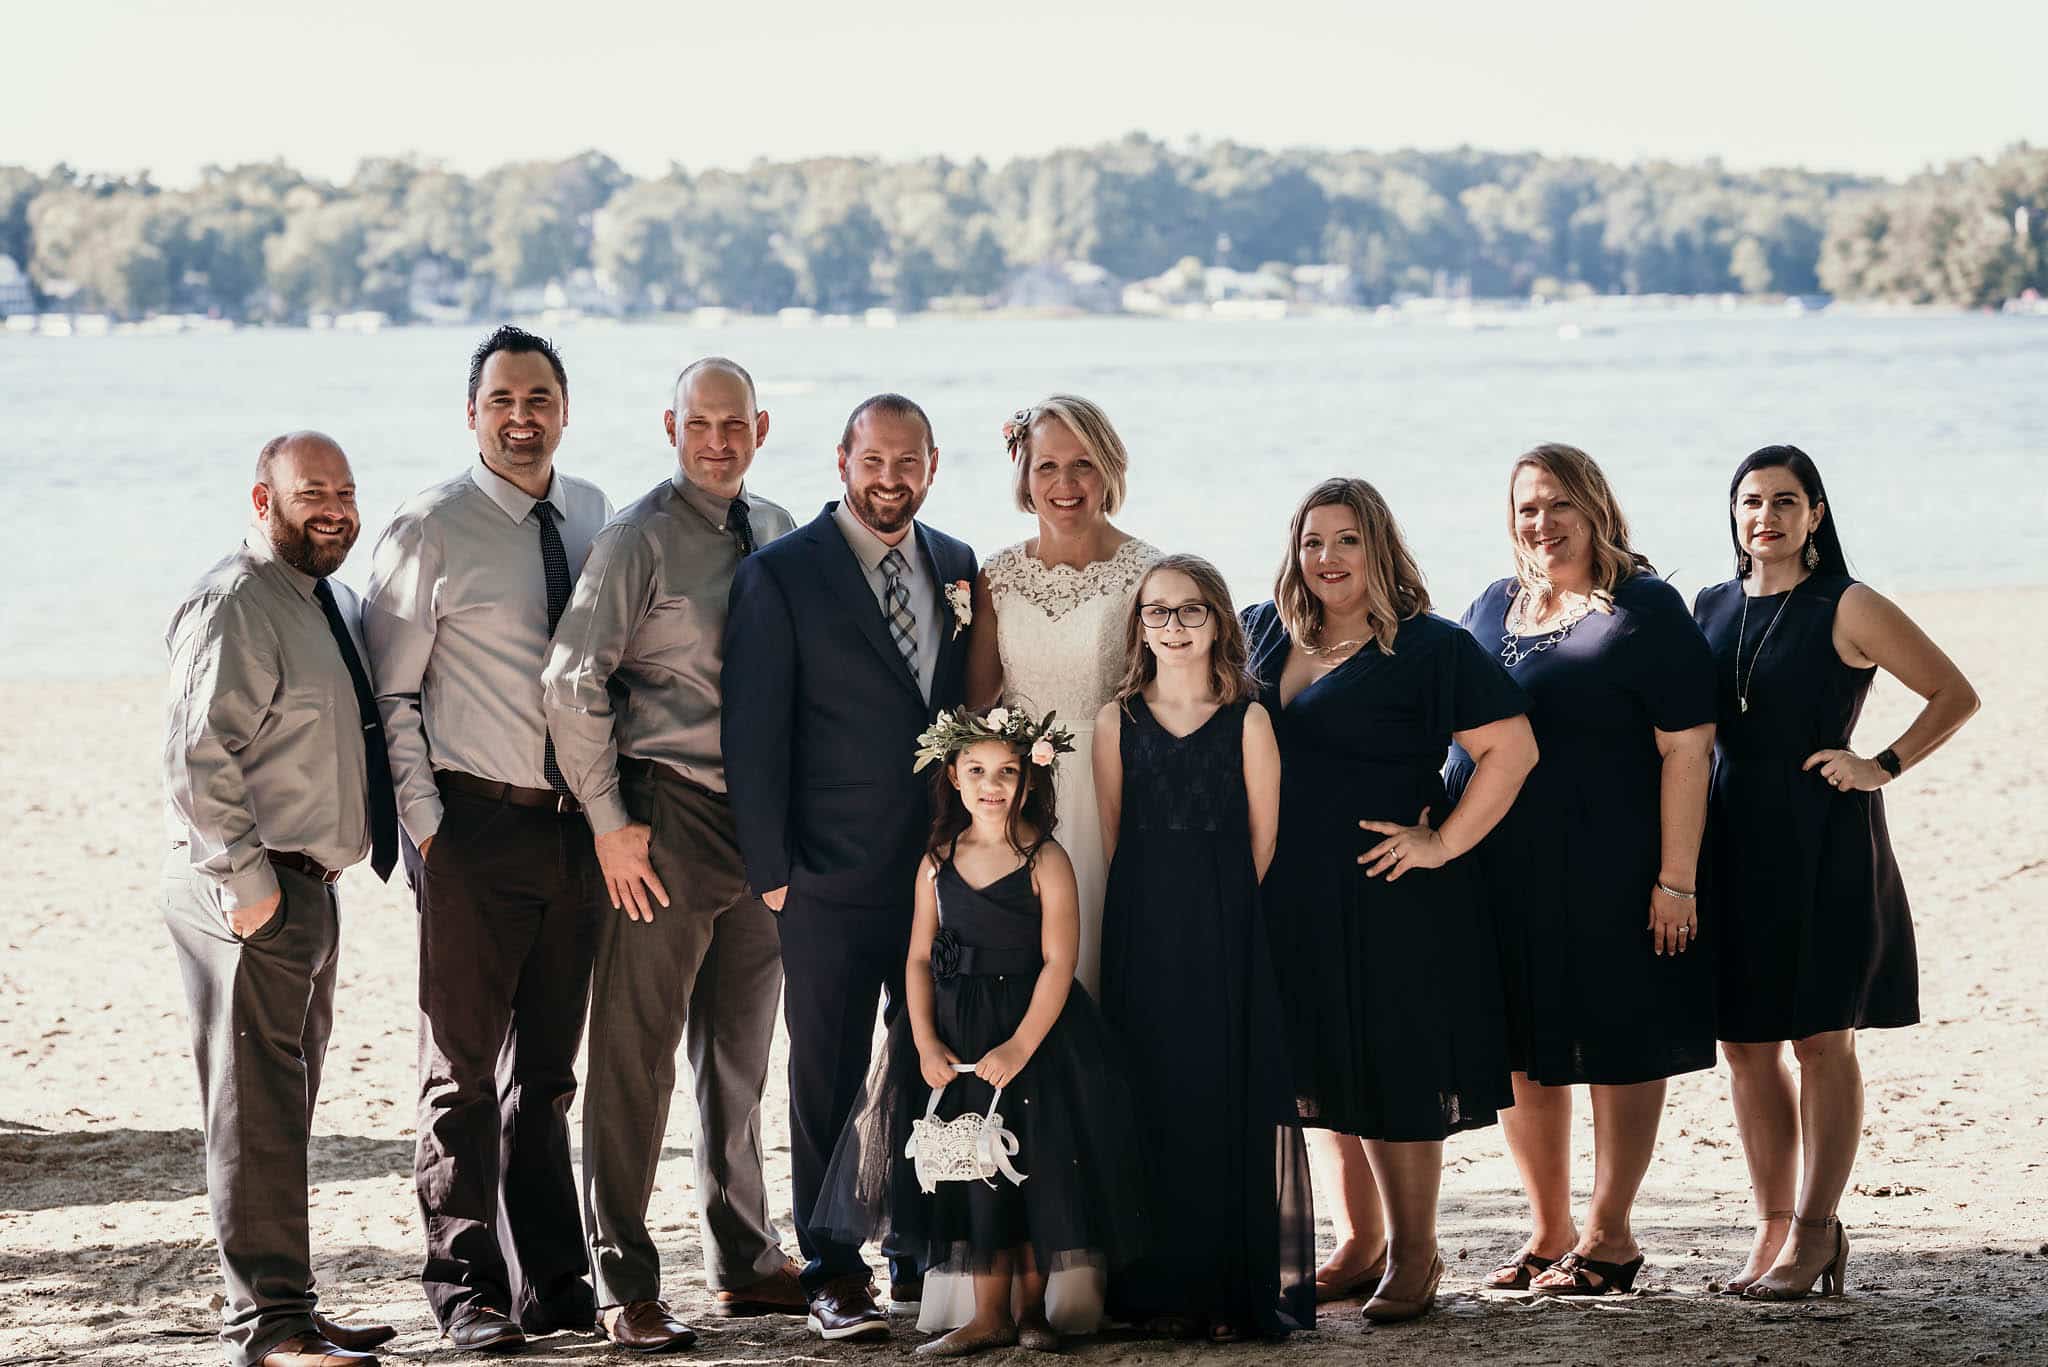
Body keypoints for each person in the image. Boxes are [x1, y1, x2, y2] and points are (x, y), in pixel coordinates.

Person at [540, 357, 802, 1352]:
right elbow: (572, 678)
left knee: (737, 1054)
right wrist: (608, 816)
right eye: (701, 423)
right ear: (671, 425)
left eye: (735, 423)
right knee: (634, 1057)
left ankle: (742, 1259)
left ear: (760, 427)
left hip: (762, 827)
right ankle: (626, 1279)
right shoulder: (636, 536)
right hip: (666, 812)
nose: (719, 440)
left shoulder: (778, 530)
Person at [363, 325, 612, 1353]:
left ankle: (554, 1280)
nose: (522, 418)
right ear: (473, 413)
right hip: (473, 826)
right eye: (502, 400)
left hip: (576, 835)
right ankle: (466, 1289)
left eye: (539, 398)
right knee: (459, 1073)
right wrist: (429, 829)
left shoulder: (594, 512)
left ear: (564, 407)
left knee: (546, 1075)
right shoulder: (427, 528)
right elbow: (389, 693)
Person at [1245, 476, 1537, 1324]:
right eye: (1312, 542)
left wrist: (1442, 841)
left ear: (1379, 546)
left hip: (1389, 889)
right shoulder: (1264, 632)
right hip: (1288, 890)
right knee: (1324, 1070)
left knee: (1393, 1071)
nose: (1327, 559)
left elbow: (1511, 751)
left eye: (1345, 540)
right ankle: (1358, 1243)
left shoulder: (1429, 647)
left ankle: (1416, 1252)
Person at [1694, 445, 1978, 1300]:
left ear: (1816, 512)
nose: (1766, 517)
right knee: (1746, 1045)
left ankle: (1817, 1230)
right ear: (1734, 512)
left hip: (1822, 841)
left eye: (1787, 500)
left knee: (1821, 1038)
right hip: (1729, 843)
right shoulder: (1709, 605)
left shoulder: (1846, 604)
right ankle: (1773, 1225)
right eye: (1751, 501)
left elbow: (1953, 692)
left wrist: (1880, 763)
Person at [723, 393, 977, 1341]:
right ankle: (832, 1268)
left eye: (908, 462)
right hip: (823, 875)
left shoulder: (955, 565)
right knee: (825, 1073)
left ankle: (914, 1247)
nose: (890, 479)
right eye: (874, 459)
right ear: (842, 460)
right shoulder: (779, 575)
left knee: (924, 1056)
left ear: (932, 466)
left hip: (933, 875)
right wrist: (774, 871)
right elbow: (751, 733)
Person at [1445, 445, 1717, 1297]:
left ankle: (1610, 1236)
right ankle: (1548, 1230)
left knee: (1619, 1043)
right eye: (1527, 507)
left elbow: (1687, 748)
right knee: (1523, 1049)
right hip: (1502, 867)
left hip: (1613, 863)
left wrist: (1676, 879)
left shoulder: (1645, 607)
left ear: (1595, 505)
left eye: (1559, 503)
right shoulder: (1494, 604)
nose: (1543, 522)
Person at [162, 432, 399, 1367]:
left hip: (310, 889)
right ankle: (267, 1329)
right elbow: (195, 756)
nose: (334, 507)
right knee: (254, 1110)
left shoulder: (323, 599)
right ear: (263, 501)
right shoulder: (237, 600)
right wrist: (254, 889)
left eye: (345, 489)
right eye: (312, 493)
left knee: (279, 1110)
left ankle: (289, 1306)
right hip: (251, 893)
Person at [810, 707, 1146, 1357]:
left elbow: (1059, 960)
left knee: (1033, 1164)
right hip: (958, 1033)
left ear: (1028, 779)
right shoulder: (937, 860)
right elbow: (915, 955)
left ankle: (1032, 1310)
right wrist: (927, 1041)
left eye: (1007, 771)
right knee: (973, 1171)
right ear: (954, 778)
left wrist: (1020, 1045)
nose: (991, 784)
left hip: (1033, 1036)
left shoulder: (1046, 858)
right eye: (976, 770)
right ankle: (987, 1312)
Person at [1094, 555, 1313, 1340]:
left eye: (1191, 611)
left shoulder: (1247, 716)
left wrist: (1216, 911)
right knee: (1151, 1093)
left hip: (1225, 929)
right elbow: (1116, 828)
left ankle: (1227, 1290)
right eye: (1158, 612)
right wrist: (1156, 911)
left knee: (1222, 1098)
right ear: (1139, 626)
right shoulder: (1114, 720)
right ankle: (1158, 1290)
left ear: (1219, 620)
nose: (1175, 627)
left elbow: (1265, 837)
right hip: (1142, 930)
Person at [965, 395, 1158, 994]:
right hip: (1018, 801)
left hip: (1114, 795)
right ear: (1024, 472)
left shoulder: (1148, 572)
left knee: (1108, 962)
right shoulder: (997, 575)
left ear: (1109, 469)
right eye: (1047, 466)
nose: (1065, 484)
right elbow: (977, 705)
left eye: (1083, 465)